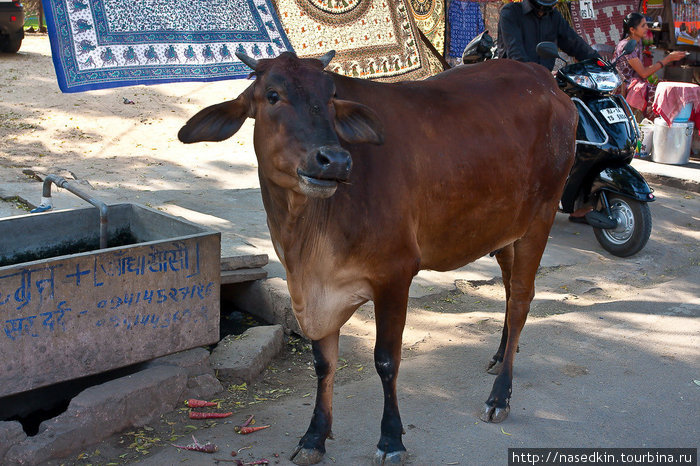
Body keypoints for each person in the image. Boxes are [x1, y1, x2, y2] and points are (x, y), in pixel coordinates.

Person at [613, 12, 686, 119]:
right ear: (632, 30)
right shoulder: (626, 45)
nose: (647, 27)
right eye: (643, 25)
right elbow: (643, 73)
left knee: (666, 86)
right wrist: (668, 59)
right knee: (659, 92)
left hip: (636, 82)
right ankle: (660, 122)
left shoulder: (637, 43)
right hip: (625, 86)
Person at [497, 0, 599, 71]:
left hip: (543, 81)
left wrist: (598, 62)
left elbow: (574, 43)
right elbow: (516, 53)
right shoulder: (511, 12)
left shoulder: (554, 16)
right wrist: (537, 75)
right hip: (512, 81)